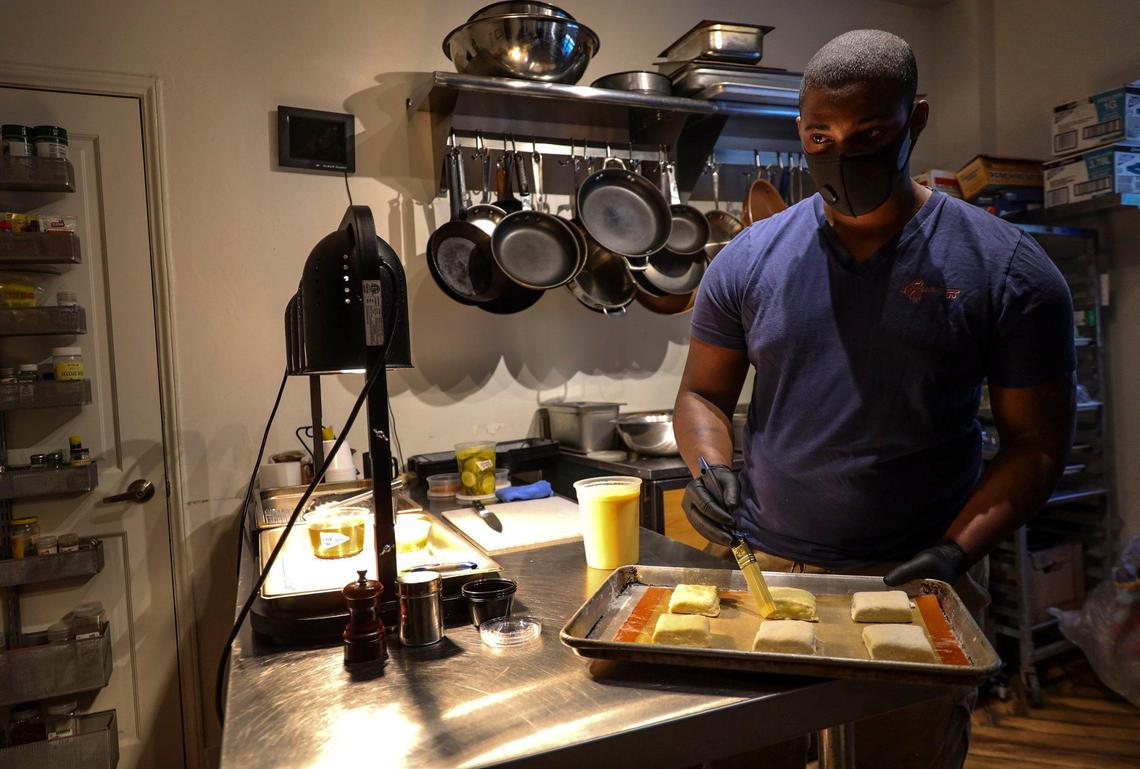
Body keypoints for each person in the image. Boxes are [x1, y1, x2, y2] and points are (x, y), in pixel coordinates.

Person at [675, 29, 1076, 769]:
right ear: (801, 130)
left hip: (921, 579)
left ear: (915, 121)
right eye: (819, 135)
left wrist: (956, 551)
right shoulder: (749, 259)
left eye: (870, 134)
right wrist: (708, 468)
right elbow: (702, 393)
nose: (839, 154)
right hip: (767, 567)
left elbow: (1038, 445)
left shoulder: (1008, 270)